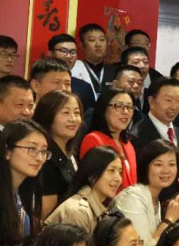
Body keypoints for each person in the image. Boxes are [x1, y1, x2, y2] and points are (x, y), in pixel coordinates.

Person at [114, 140, 179, 246]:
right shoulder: (133, 198)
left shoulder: (156, 199)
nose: (166, 171)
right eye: (158, 165)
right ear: (146, 166)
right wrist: (169, 220)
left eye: (171, 164)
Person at [45, 147, 124, 234]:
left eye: (120, 172)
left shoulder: (103, 209)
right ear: (92, 175)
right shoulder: (77, 212)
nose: (118, 178)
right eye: (111, 170)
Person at [33, 90, 84, 219]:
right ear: (48, 116)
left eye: (77, 113)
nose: (73, 119)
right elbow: (45, 217)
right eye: (66, 113)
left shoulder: (71, 152)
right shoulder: (45, 159)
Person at [80, 87, 137, 189]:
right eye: (119, 106)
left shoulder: (128, 145)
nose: (125, 111)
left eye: (129, 107)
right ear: (104, 110)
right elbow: (94, 183)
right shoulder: (93, 140)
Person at [128, 77, 179, 167]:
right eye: (168, 100)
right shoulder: (136, 137)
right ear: (151, 101)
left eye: (178, 101)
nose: (174, 107)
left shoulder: (177, 131)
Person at [47, 33, 96, 110]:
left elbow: (89, 115)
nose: (68, 56)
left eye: (73, 52)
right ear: (50, 53)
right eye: (63, 51)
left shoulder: (84, 87)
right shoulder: (41, 81)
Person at [71, 23, 109, 101]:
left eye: (102, 40)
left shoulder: (114, 71)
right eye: (92, 40)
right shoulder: (73, 68)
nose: (98, 44)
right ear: (81, 45)